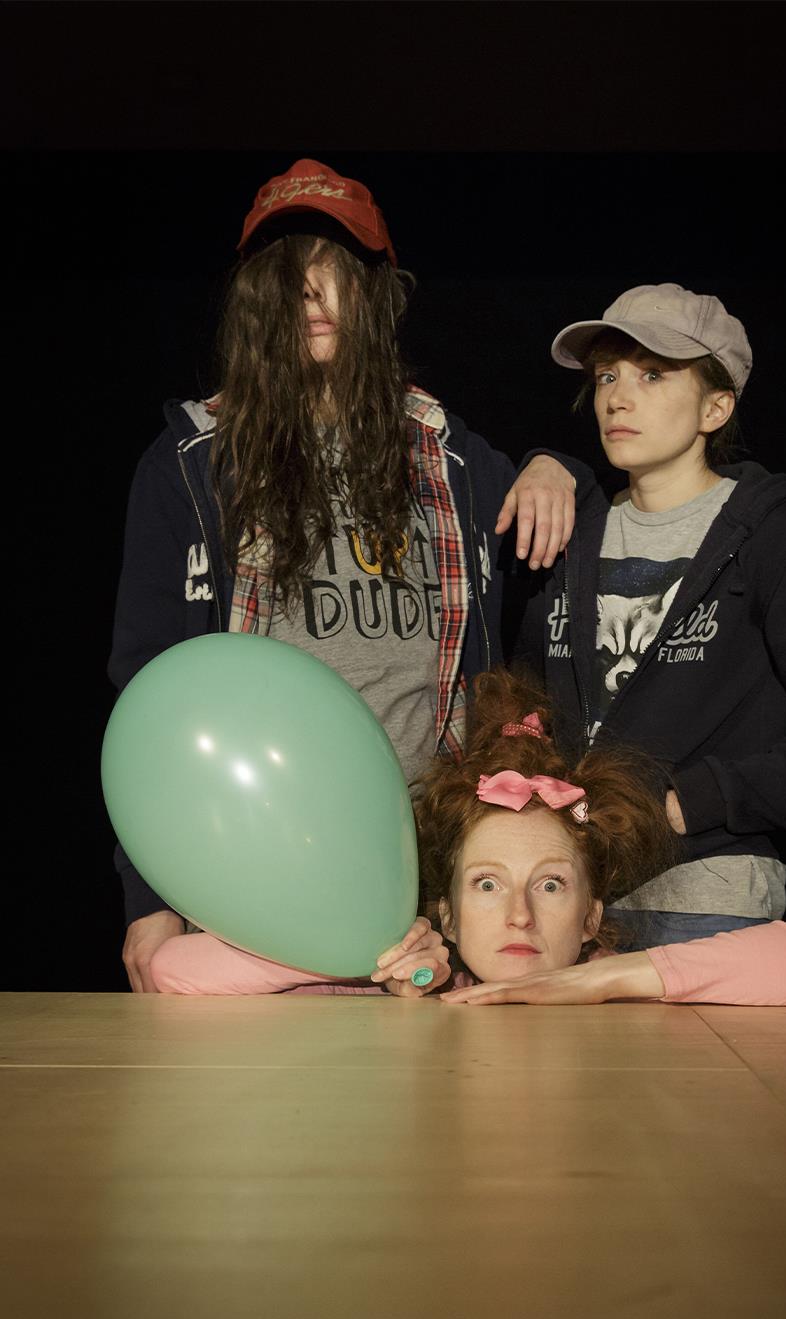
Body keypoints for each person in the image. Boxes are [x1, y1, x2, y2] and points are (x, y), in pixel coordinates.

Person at [109, 158, 579, 993]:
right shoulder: (192, 463)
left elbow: (583, 533)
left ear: (377, 295)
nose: (313, 294)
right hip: (259, 861)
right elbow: (148, 696)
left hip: (428, 869)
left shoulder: (449, 457)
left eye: (335, 271)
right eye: (290, 275)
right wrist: (149, 898)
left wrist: (558, 464)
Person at [509, 283, 786, 950]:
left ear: (716, 407)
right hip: (564, 895)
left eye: (653, 375)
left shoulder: (783, 537)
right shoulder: (567, 533)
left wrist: (694, 802)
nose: (617, 398)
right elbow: (525, 698)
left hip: (703, 893)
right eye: (607, 376)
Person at [150, 670, 786, 1006]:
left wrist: (606, 980)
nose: (519, 916)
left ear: (591, 915)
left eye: (550, 884)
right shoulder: (419, 981)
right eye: (486, 884)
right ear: (448, 912)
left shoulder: (618, 986)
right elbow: (175, 967)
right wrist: (366, 956)